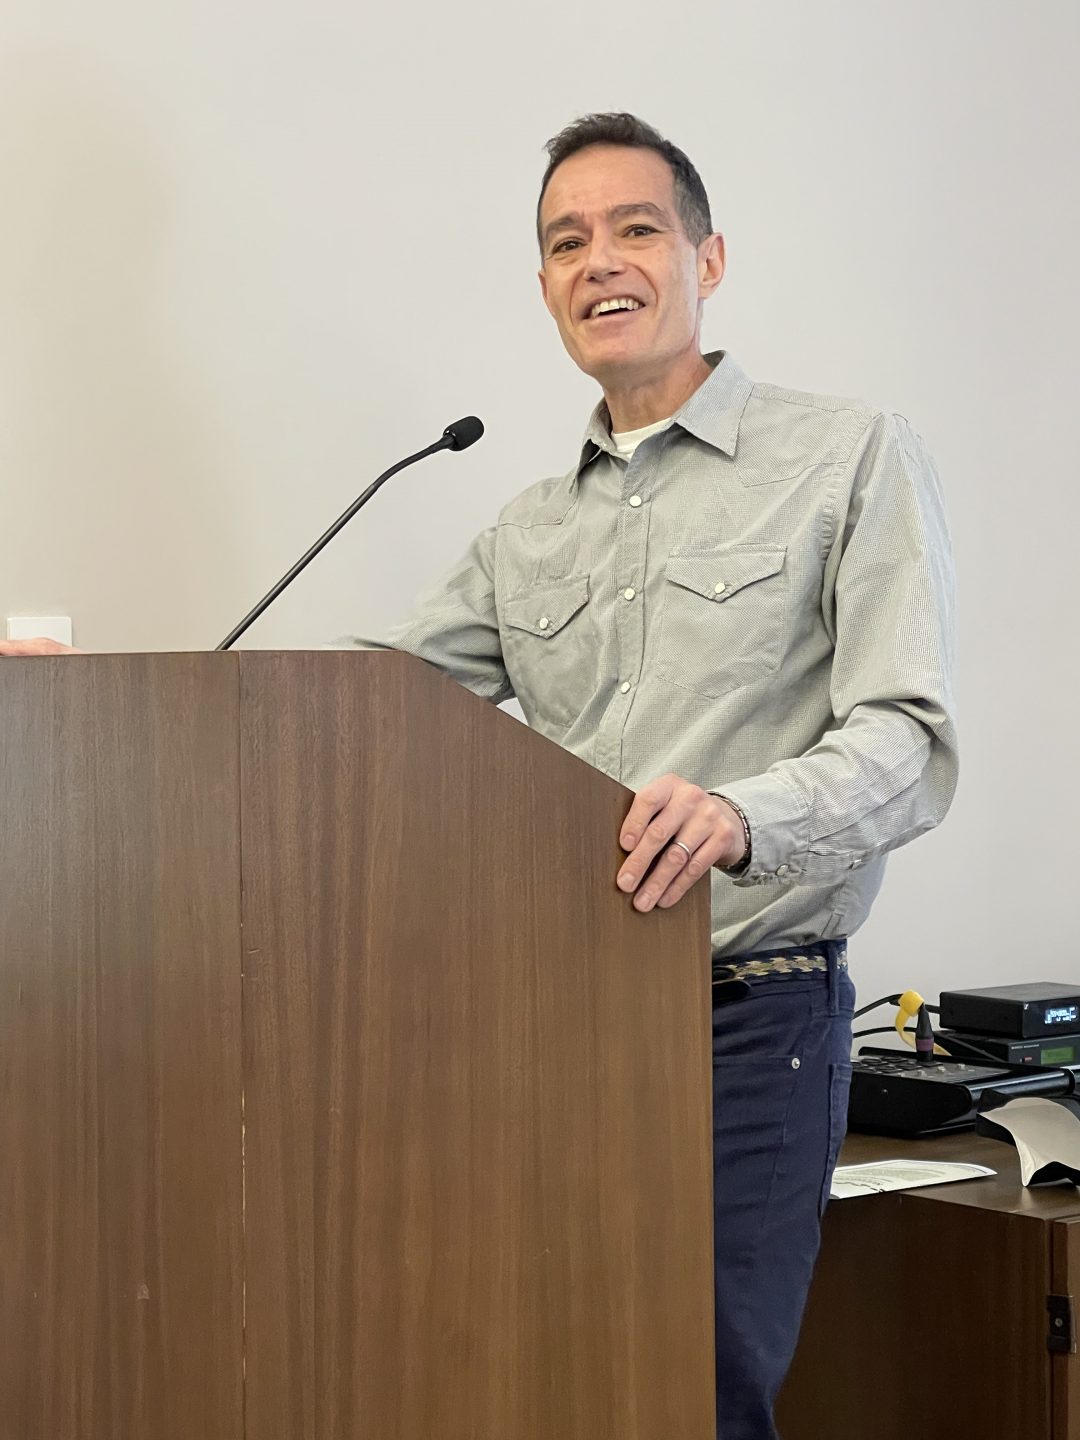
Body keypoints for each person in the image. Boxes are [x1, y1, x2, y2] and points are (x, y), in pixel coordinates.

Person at [2, 111, 958, 1440]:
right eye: (566, 242)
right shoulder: (527, 533)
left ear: (708, 258)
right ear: (547, 286)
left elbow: (911, 739)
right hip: (544, 1027)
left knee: (698, 1390)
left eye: (635, 228)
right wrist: (95, 693)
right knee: (542, 1386)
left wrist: (742, 817)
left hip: (749, 1018)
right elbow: (357, 706)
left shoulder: (850, 455)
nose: (599, 260)